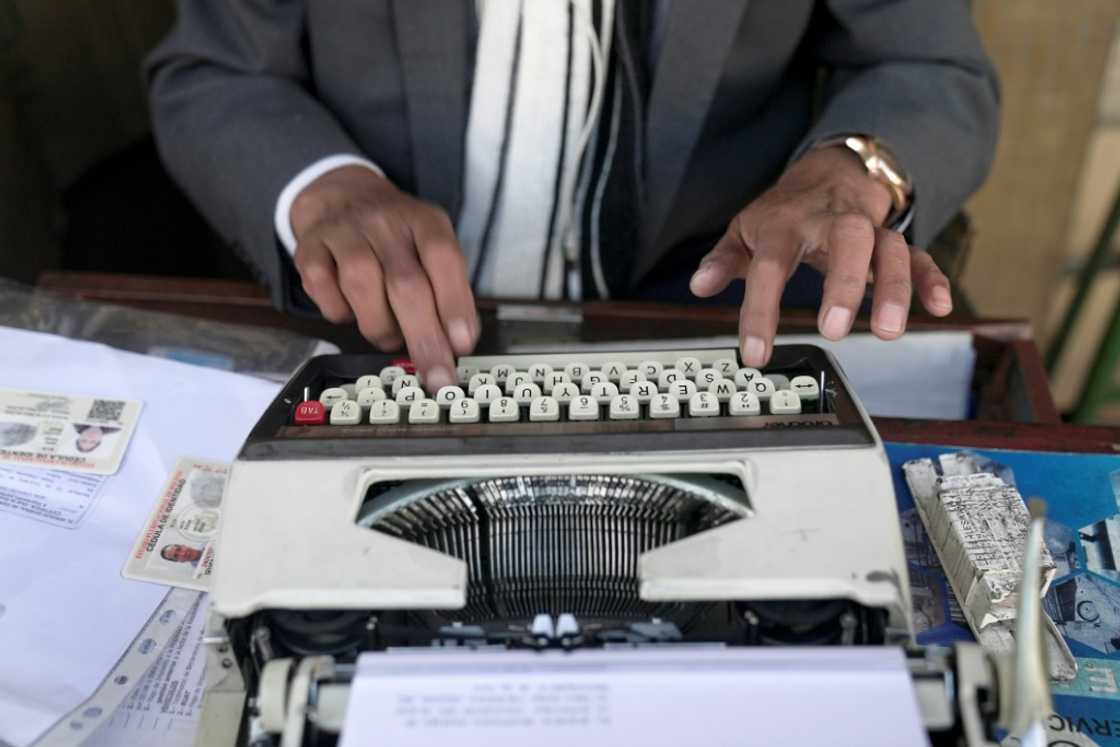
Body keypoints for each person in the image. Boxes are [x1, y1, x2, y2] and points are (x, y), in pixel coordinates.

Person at [147, 1, 999, 389]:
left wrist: (848, 170)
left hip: (702, 309)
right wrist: (324, 186)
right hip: (369, 319)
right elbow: (218, 69)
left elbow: (923, 63)